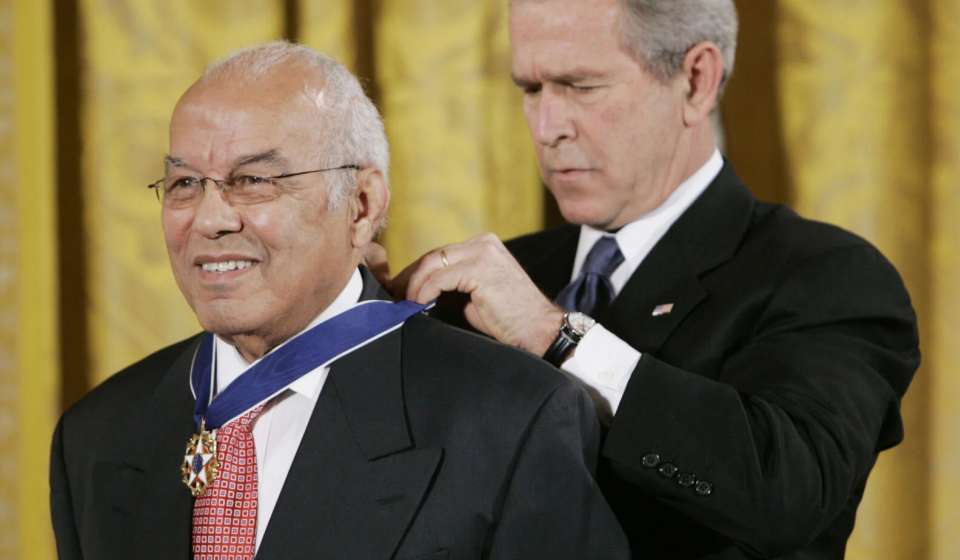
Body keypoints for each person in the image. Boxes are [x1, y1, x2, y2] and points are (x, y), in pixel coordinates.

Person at [49, 41, 629, 560]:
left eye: (253, 181)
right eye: (184, 184)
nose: (210, 218)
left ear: (360, 206)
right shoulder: (97, 436)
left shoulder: (511, 418)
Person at [382, 0, 921, 558]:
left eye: (580, 86)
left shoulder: (825, 275)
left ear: (695, 81)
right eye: (532, 89)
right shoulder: (496, 281)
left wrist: (559, 337)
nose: (547, 128)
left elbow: (785, 492)